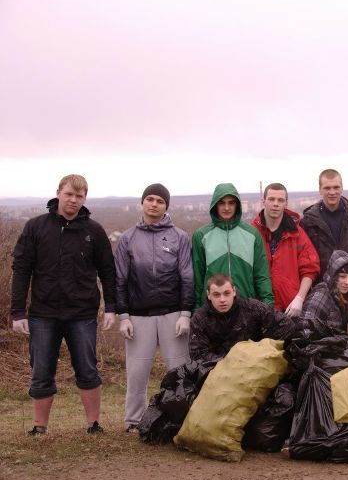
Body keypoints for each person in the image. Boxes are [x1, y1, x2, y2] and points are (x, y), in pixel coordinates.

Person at [11, 174, 115, 435]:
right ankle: (39, 427)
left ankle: (93, 424)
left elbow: (108, 271)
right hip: (43, 313)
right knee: (41, 371)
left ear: (85, 199)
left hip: (82, 314)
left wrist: (112, 306)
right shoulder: (36, 227)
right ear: (58, 193)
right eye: (69, 194)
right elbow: (22, 269)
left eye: (79, 196)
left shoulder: (94, 231)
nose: (73, 200)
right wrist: (17, 312)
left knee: (88, 369)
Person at [114, 183, 193, 432]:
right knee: (137, 373)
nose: (154, 204)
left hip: (172, 314)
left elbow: (187, 278)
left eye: (160, 201)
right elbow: (120, 280)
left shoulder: (179, 237)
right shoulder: (127, 239)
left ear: (166, 206)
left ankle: (182, 420)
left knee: (179, 371)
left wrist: (185, 313)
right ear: (142, 203)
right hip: (139, 315)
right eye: (150, 199)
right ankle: (134, 421)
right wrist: (123, 315)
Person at [300, 169, 348, 344]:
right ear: (320, 190)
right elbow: (304, 260)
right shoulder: (308, 221)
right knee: (333, 343)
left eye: (336, 187)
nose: (332, 192)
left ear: (342, 188)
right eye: (327, 188)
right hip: (326, 293)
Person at [191, 183, 273, 309]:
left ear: (237, 205)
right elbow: (198, 278)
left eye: (231, 203)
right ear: (215, 205)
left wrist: (268, 307)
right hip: (212, 309)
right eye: (221, 203)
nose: (227, 207)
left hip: (246, 307)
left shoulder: (252, 234)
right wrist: (196, 310)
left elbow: (261, 275)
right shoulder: (201, 236)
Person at [188, 274, 297, 362]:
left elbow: (285, 324)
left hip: (256, 361)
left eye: (227, 293)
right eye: (216, 294)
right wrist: (230, 361)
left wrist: (262, 349)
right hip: (219, 370)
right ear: (208, 295)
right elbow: (197, 354)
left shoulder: (252, 307)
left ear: (234, 292)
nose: (222, 299)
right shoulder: (199, 319)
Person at [251, 182, 320, 316]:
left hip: (290, 309)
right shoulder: (251, 233)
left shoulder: (297, 234)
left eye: (280, 200)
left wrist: (299, 298)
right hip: (259, 308)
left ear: (286, 203)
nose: (276, 204)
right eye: (271, 199)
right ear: (263, 201)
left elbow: (310, 268)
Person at [299, 250, 348, 338]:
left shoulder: (342, 296)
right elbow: (304, 328)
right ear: (334, 276)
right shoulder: (321, 294)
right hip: (317, 348)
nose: (347, 282)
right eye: (342, 277)